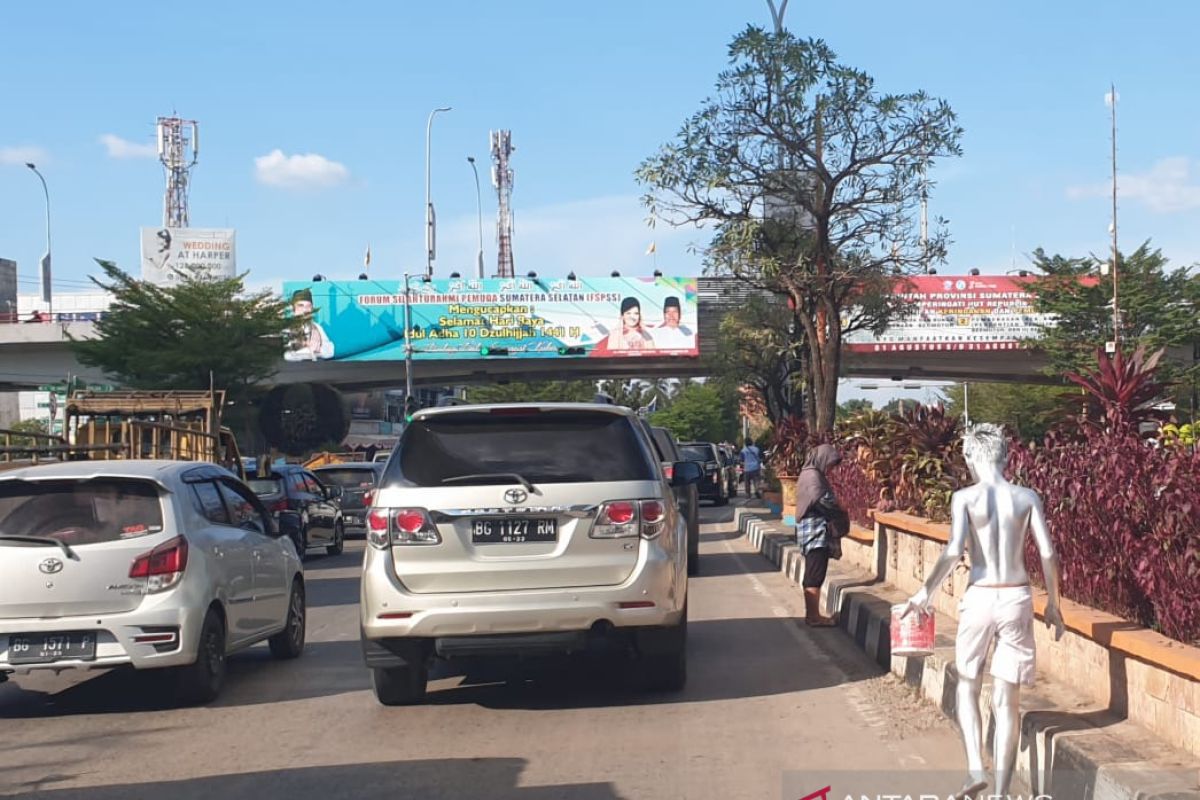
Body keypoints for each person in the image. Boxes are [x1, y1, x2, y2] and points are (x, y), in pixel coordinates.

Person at [902, 424, 1064, 800]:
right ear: (1005, 457)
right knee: (1008, 700)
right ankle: (1002, 793)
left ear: (972, 457)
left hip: (980, 596)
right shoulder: (1027, 497)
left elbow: (952, 550)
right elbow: (1048, 553)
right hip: (1016, 596)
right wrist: (1054, 603)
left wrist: (925, 593)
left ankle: (975, 768)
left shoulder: (964, 498)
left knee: (968, 684)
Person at [794, 444, 846, 627]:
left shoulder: (810, 474)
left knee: (814, 572)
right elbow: (822, 501)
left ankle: (812, 615)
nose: (831, 469)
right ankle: (813, 617)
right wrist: (840, 508)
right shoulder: (813, 476)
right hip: (815, 531)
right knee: (815, 573)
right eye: (830, 464)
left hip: (813, 530)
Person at [284, 288, 335, 361]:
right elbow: (286, 356)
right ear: (293, 309)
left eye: (308, 306)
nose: (305, 310)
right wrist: (308, 350)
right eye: (301, 306)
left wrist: (319, 349)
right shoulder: (286, 328)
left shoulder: (317, 327)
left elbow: (330, 351)